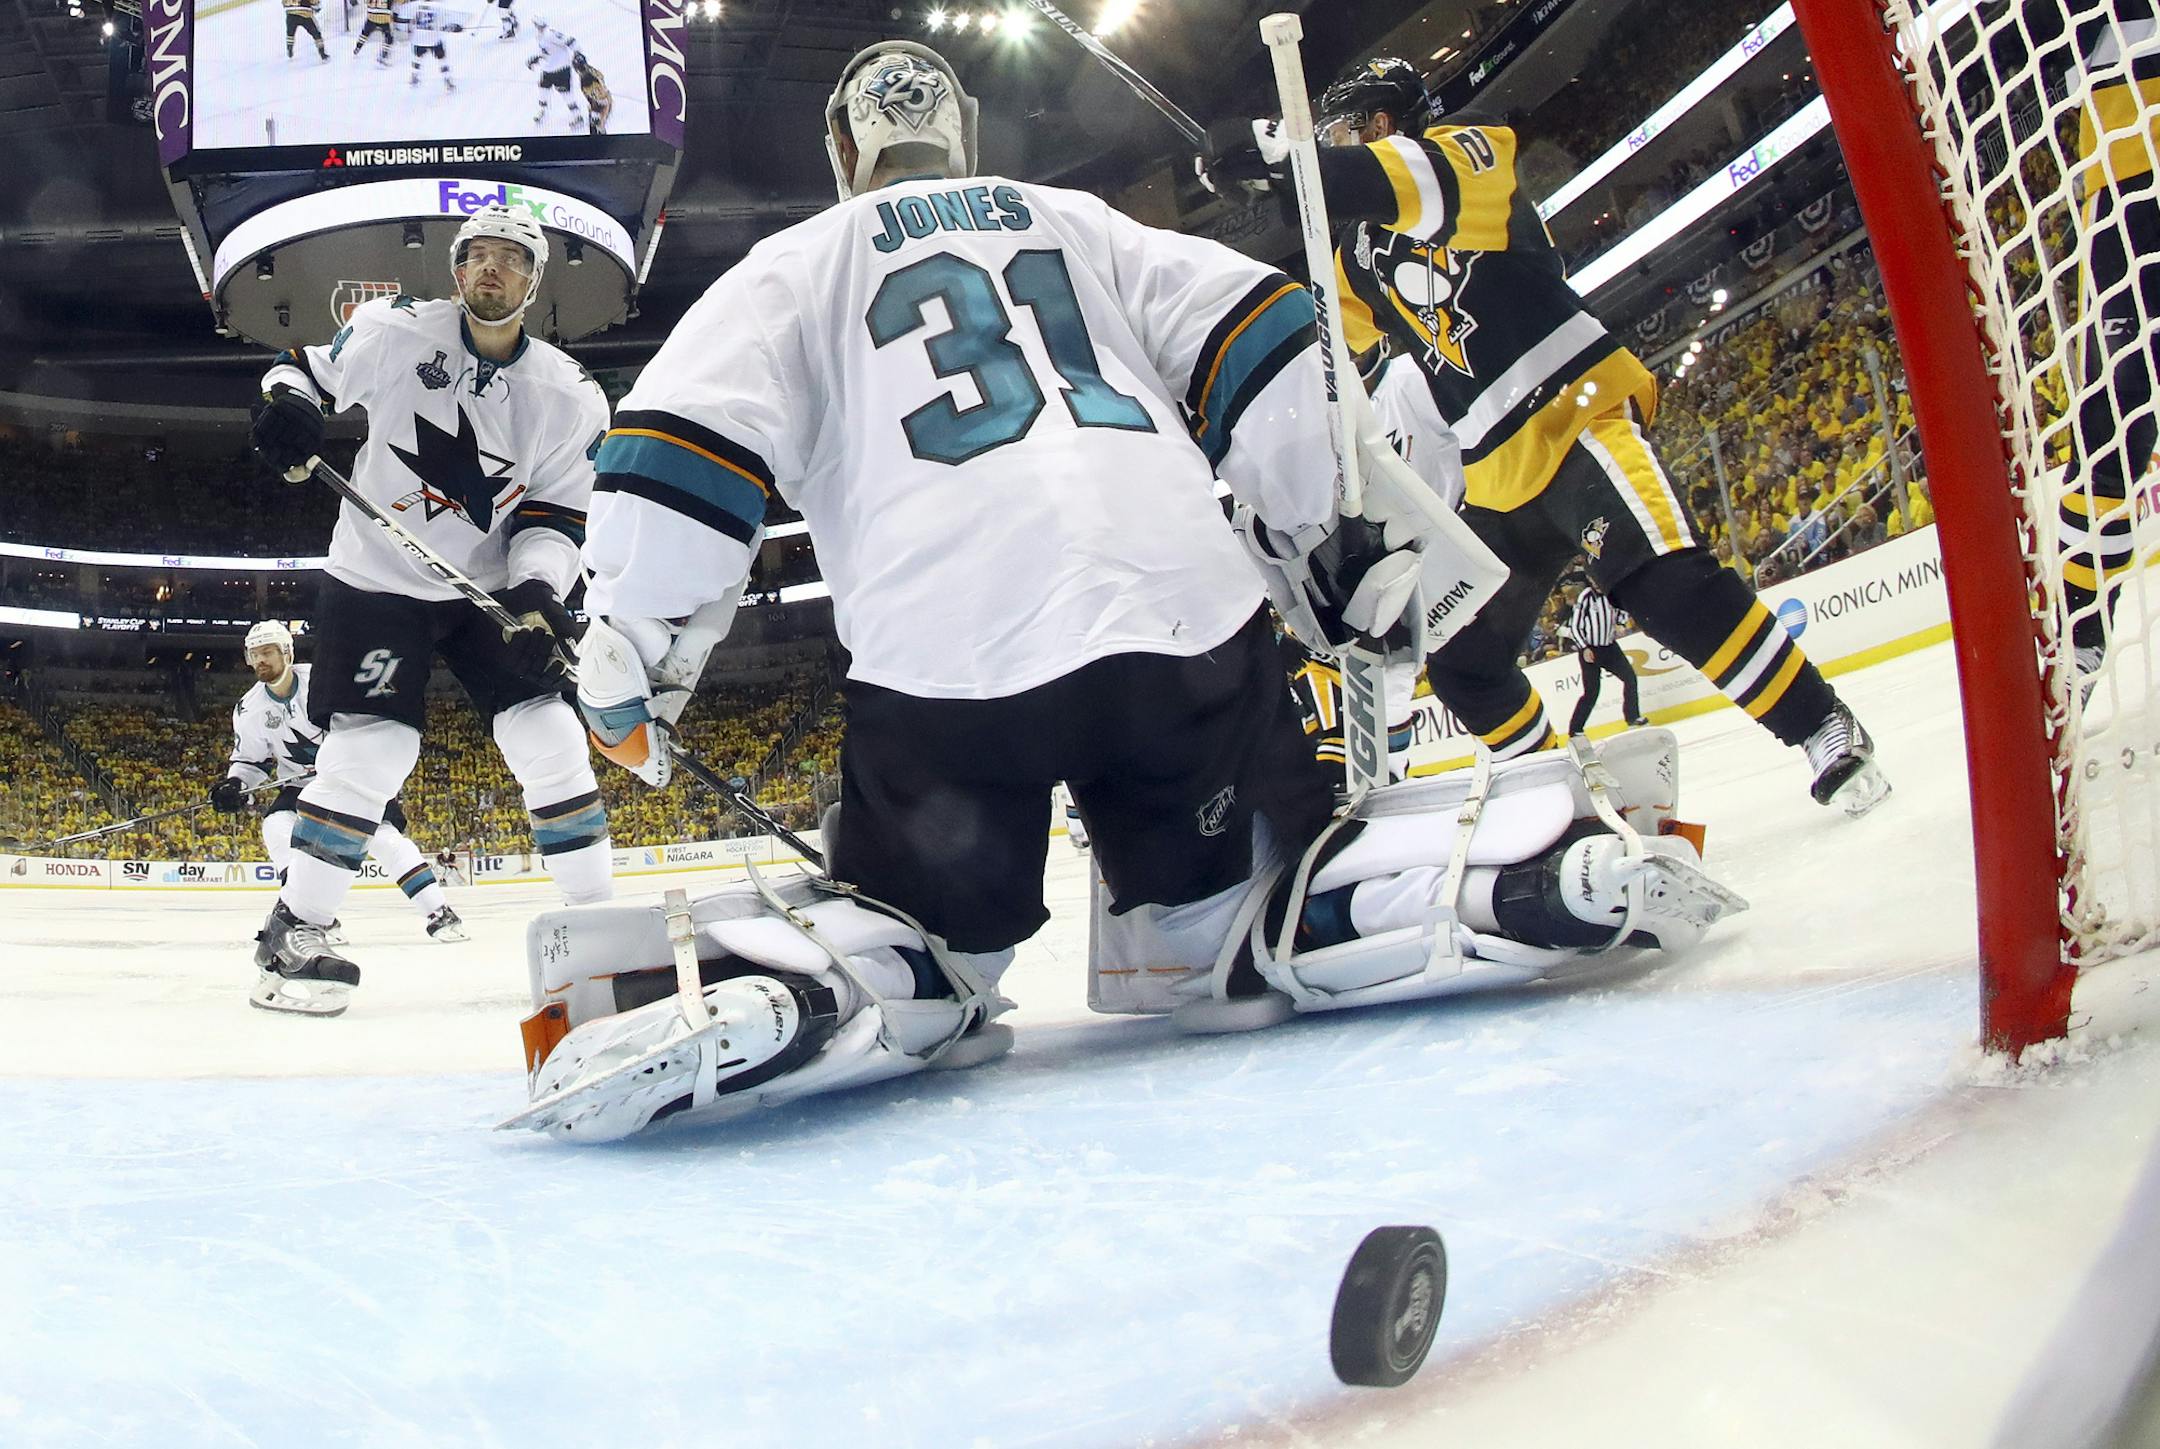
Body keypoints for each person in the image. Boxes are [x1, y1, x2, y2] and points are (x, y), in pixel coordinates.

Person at [506, 40, 1742, 1142]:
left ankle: (845, 975)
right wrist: (1333, 530)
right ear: (967, 139)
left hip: (951, 669)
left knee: (938, 935)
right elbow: (1262, 338)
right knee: (1225, 920)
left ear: (843, 153)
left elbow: (677, 450)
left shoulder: (795, 263)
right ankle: (1490, 873)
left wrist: (641, 655)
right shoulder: (1078, 221)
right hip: (1181, 631)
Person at [1201, 57, 1890, 817]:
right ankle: (1565, 792)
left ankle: (1822, 721)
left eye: (1340, 131)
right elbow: (1318, 343)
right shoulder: (1358, 258)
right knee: (1462, 658)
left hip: (1574, 414)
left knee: (1660, 581)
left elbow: (1384, 179)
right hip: (1493, 478)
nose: (1330, 143)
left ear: (1380, 124)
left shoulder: (1468, 154)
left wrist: (1282, 158)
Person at [245, 203, 614, 1016]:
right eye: (477, 255)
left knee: (550, 734)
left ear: (534, 280)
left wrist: (540, 593)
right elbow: (298, 367)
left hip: (487, 587)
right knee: (373, 752)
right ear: (456, 271)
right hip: (374, 581)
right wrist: (290, 408)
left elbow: (558, 517)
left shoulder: (569, 395)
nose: (492, 268)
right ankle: (293, 934)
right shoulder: (394, 329)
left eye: (511, 258)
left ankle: (601, 930)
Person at [212, 619, 466, 951]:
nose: (260, 660)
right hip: (301, 787)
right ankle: (310, 916)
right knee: (276, 825)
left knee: (385, 841)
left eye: (268, 652)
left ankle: (439, 912)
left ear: (287, 652)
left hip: (352, 777)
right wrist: (234, 784)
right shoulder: (249, 708)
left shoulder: (324, 680)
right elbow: (250, 761)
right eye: (254, 654)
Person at [1561, 578, 1646, 735]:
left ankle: (1632, 717)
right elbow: (1575, 626)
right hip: (1590, 650)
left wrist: (1620, 623)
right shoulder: (1585, 597)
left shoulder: (1611, 594)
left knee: (1630, 678)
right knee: (1592, 692)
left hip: (1610, 647)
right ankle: (1575, 729)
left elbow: (1622, 613)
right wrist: (1584, 648)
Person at [528, 22, 583, 129]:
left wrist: (578, 53)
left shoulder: (551, 34)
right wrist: (537, 58)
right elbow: (545, 51)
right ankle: (543, 111)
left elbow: (571, 41)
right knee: (543, 90)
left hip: (561, 69)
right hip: (548, 69)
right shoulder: (540, 36)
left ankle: (577, 116)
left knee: (566, 94)